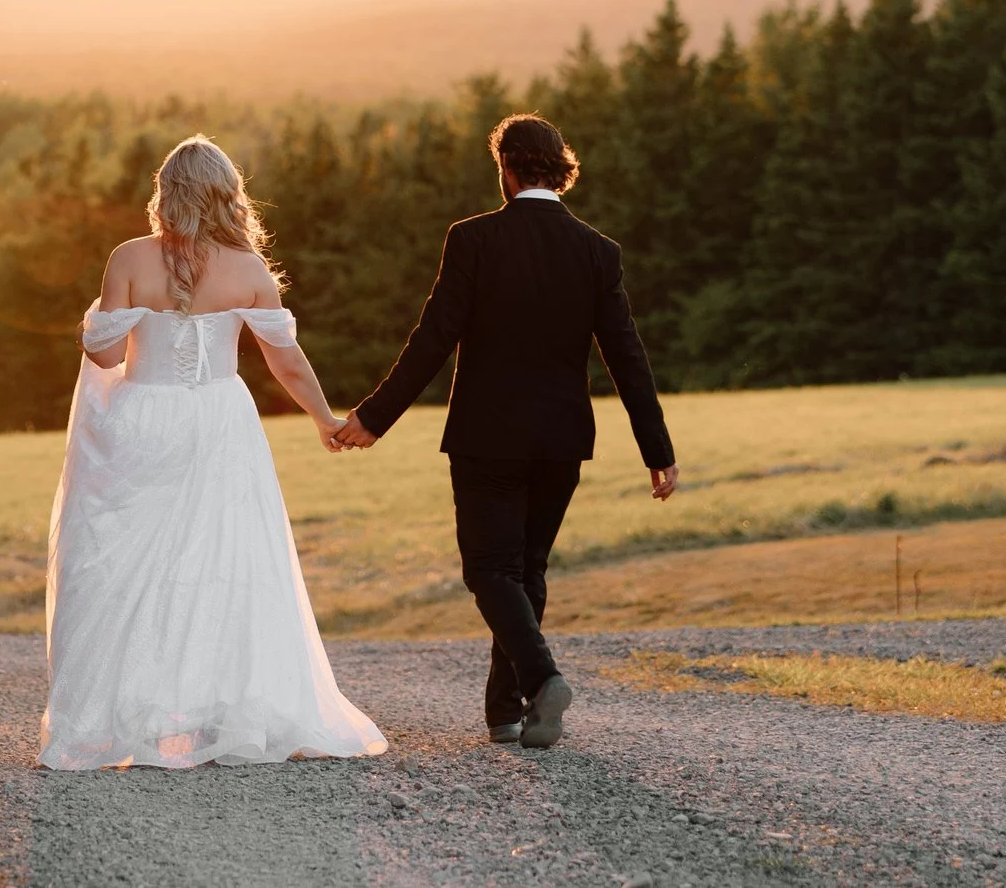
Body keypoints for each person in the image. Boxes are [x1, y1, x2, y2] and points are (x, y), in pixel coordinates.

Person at [38, 135, 388, 771]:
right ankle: (211, 718)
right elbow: (284, 359)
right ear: (229, 194)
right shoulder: (249, 269)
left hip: (143, 419)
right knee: (224, 557)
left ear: (164, 193)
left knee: (124, 564)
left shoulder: (129, 258)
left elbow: (106, 356)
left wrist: (99, 322)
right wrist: (324, 419)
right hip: (222, 422)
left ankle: (122, 719)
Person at [330, 113, 678, 749]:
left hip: (487, 436)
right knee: (527, 569)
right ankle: (506, 713)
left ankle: (543, 680)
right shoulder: (599, 252)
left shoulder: (474, 239)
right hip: (563, 439)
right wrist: (658, 452)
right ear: (558, 171)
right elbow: (627, 354)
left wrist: (372, 418)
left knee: (490, 568)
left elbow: (434, 337)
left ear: (507, 170)